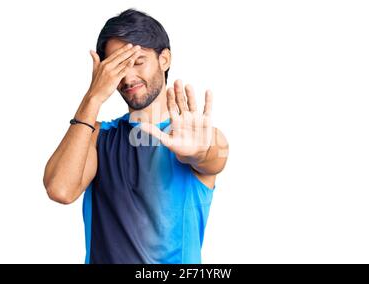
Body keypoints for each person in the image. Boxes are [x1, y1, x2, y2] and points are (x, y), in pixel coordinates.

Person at [43, 9, 229, 264]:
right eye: (118, 66)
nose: (128, 77)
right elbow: (60, 189)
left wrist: (200, 151)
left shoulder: (199, 136)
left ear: (164, 59)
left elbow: (214, 156)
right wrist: (93, 97)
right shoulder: (96, 137)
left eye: (138, 61)